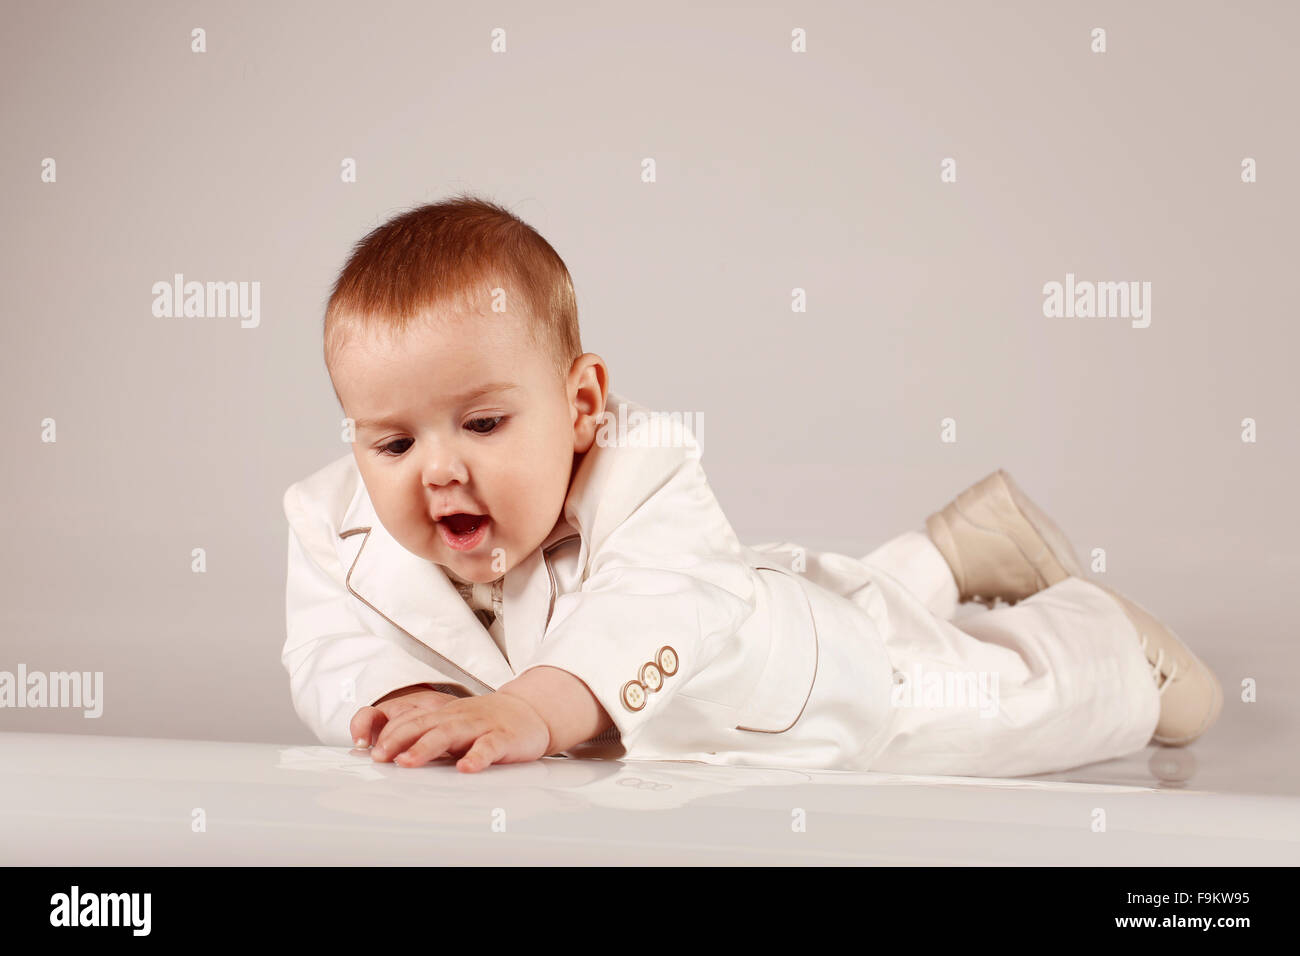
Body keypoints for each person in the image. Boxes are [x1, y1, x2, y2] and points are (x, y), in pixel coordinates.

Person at [281, 194, 1221, 775]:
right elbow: (327, 650)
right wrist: (400, 698)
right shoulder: (328, 522)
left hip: (794, 692)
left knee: (967, 701)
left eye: (483, 424)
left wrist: (532, 708)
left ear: (580, 404)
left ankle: (1102, 645)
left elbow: (652, 609)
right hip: (760, 591)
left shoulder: (640, 468)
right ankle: (951, 552)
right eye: (392, 442)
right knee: (853, 589)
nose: (438, 468)